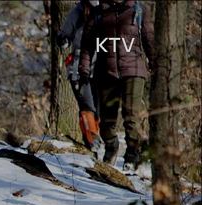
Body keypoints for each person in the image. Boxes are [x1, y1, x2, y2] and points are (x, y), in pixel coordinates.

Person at [79, 0, 154, 169]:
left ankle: (132, 155)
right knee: (107, 120)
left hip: (134, 71)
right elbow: (87, 45)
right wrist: (84, 69)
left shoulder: (139, 10)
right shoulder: (98, 13)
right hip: (105, 72)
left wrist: (156, 63)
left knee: (131, 116)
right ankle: (112, 146)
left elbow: (149, 38)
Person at [57, 0, 102, 152]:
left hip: (103, 65)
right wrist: (64, 39)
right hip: (79, 66)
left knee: (100, 108)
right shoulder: (79, 10)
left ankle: (102, 144)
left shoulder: (110, 8)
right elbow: (65, 34)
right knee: (87, 105)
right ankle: (92, 143)